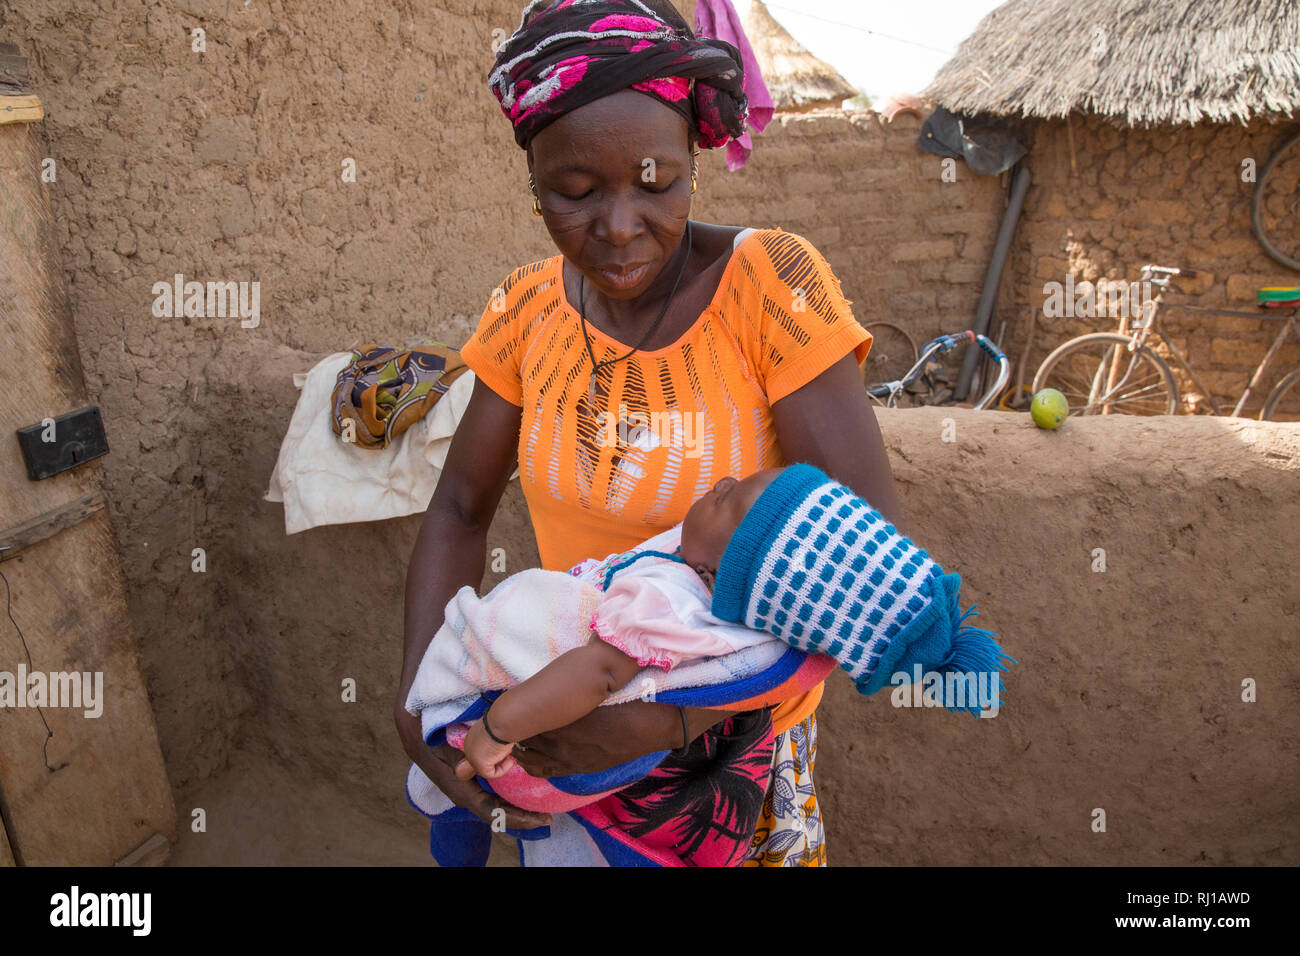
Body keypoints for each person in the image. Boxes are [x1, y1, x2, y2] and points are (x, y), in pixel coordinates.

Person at [396, 0, 904, 867]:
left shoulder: (769, 287)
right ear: (534, 180)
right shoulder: (526, 309)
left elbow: (862, 559)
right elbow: (459, 509)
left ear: (694, 161)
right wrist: (420, 696)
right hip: (553, 720)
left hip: (726, 745)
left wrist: (664, 721)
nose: (622, 228)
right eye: (576, 193)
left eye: (656, 184)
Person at [449, 463, 1007, 781]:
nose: (721, 484)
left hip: (522, 708)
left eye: (730, 500)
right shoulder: (747, 612)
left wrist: (495, 730)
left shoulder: (664, 605)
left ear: (715, 574)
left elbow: (596, 672)